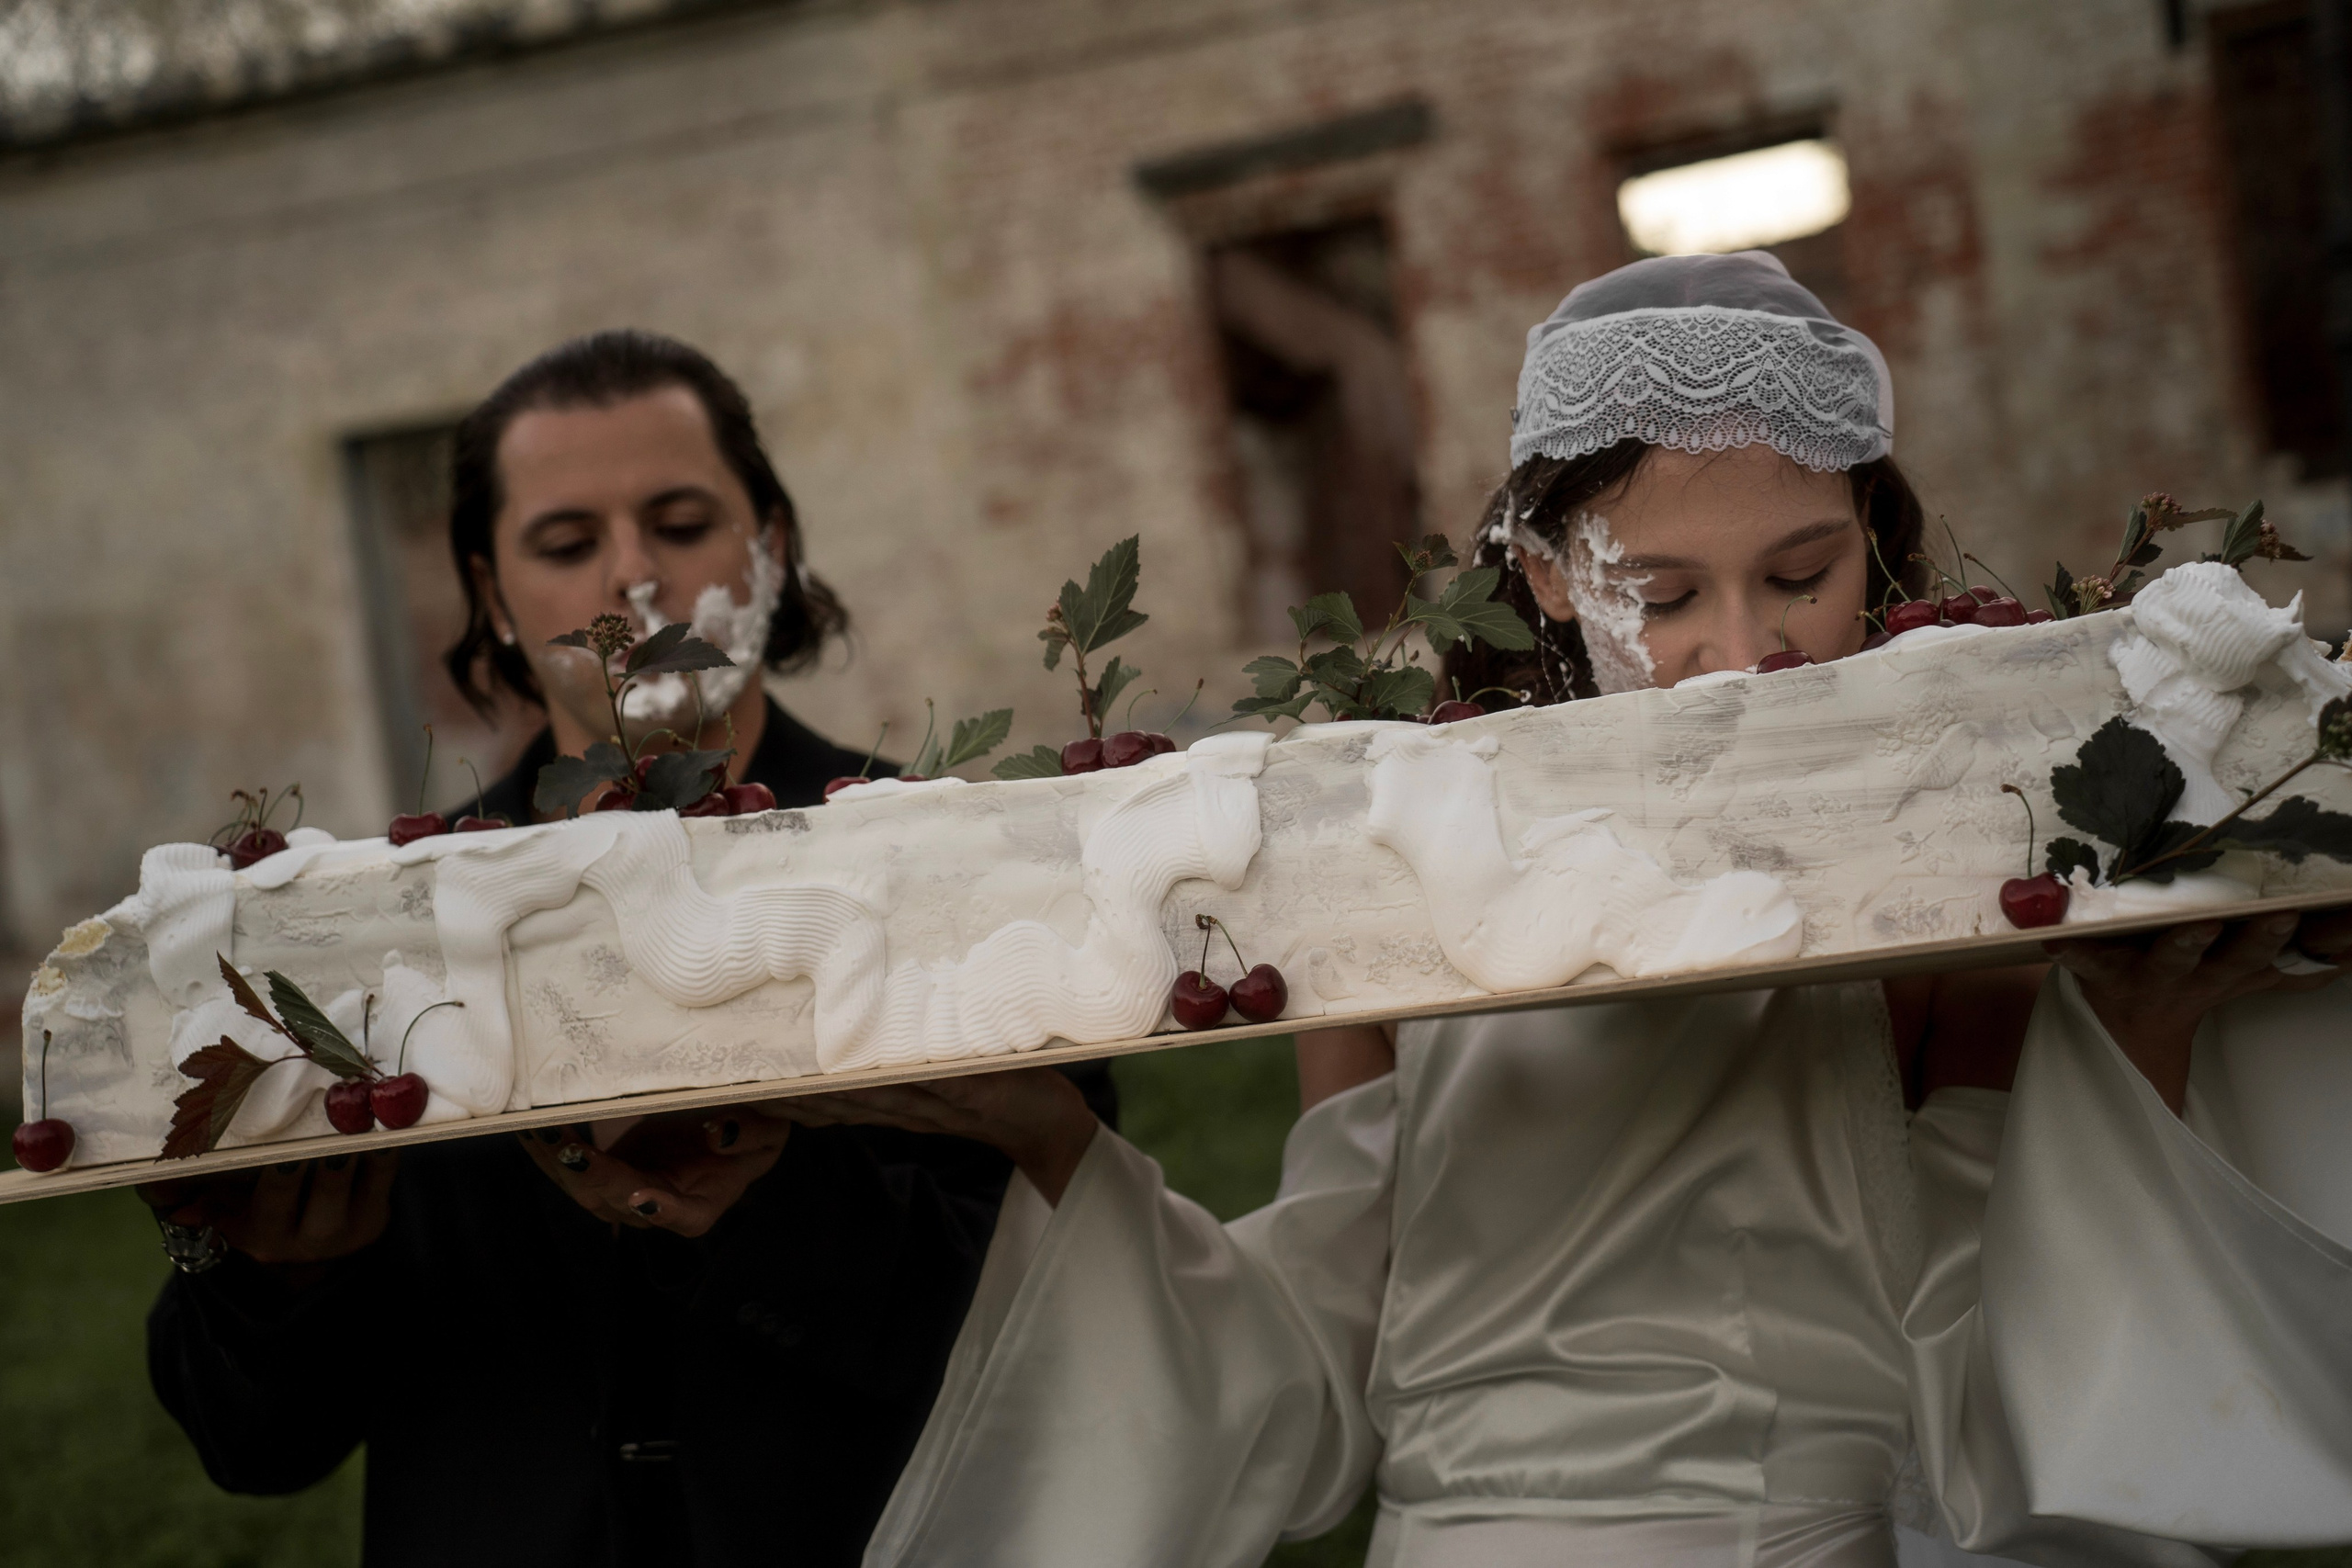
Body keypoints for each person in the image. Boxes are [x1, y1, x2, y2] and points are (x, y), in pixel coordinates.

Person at [795, 255, 2352, 1567]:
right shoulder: (1398, 871)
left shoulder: (1954, 873)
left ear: (1874, 544)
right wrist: (1058, 1148)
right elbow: (1314, 1375)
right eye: (1660, 598)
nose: (1743, 652)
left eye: (1800, 576)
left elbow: (1989, 1384)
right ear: (1545, 579)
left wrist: (2129, 1060)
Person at [139, 330, 1115, 1567]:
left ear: (773, 546)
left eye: (682, 520)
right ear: (491, 594)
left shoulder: (950, 864)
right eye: (565, 543)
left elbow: (1068, 1311)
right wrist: (279, 1277)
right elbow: (255, 1448)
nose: (634, 580)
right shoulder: (380, 925)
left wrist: (767, 1200)